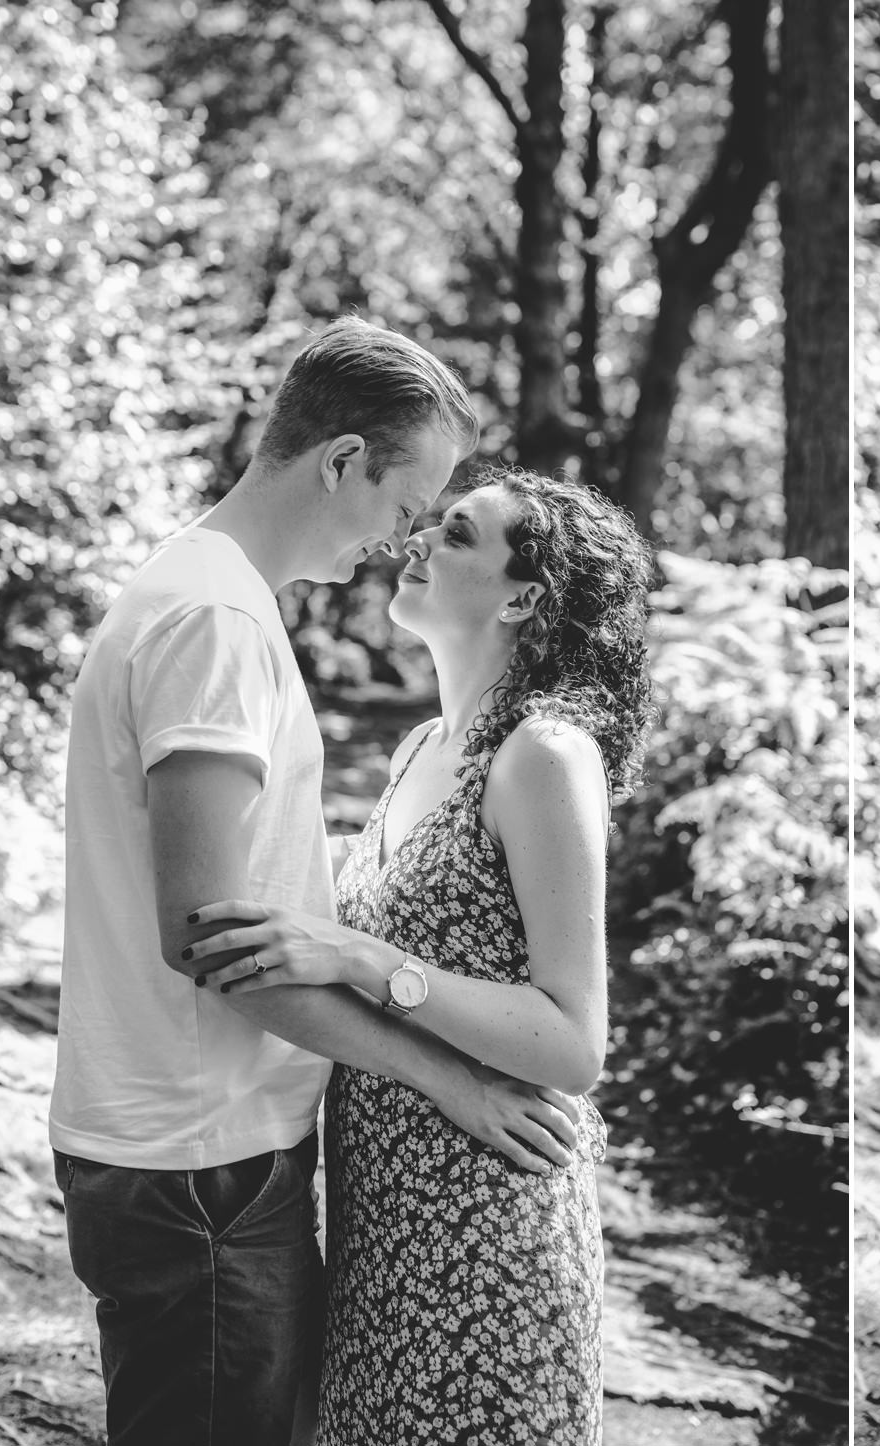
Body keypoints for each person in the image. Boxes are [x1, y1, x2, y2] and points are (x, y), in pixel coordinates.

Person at [49, 319, 581, 1446]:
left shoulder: (212, 597)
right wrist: (445, 1078)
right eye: (405, 507)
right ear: (341, 462)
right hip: (201, 1166)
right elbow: (206, 933)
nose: (401, 542)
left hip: (208, 1156)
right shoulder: (215, 620)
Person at [180, 467, 656, 1444]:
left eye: (457, 534)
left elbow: (571, 1044)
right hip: (380, 1224)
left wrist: (359, 958)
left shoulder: (543, 754)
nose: (418, 541)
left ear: (523, 596)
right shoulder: (414, 750)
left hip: (486, 1225)